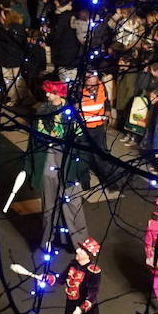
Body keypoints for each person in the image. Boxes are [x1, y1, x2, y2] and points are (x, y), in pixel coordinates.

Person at [27, 77, 92, 256]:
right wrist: (30, 167)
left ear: (60, 93)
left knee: (73, 204)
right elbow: (33, 142)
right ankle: (48, 240)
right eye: (46, 91)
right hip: (47, 162)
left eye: (51, 92)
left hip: (68, 163)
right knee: (49, 206)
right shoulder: (41, 111)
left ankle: (81, 244)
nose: (47, 95)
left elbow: (83, 141)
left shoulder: (70, 114)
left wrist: (82, 169)